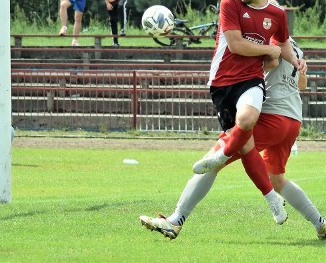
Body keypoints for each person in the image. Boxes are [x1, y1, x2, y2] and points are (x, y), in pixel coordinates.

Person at [139, 38, 326, 240]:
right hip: (293, 120)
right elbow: (303, 84)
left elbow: (268, 63)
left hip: (272, 116)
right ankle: (320, 223)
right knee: (276, 177)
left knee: (213, 161)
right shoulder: (294, 46)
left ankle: (175, 220)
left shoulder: (271, 39)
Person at [189, 0, 306, 223]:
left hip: (259, 93)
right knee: (259, 161)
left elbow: (279, 50)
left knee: (237, 134)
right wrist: (277, 53)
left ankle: (177, 216)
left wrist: (285, 57)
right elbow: (237, 45)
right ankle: (286, 206)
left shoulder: (276, 18)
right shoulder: (231, 3)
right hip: (236, 89)